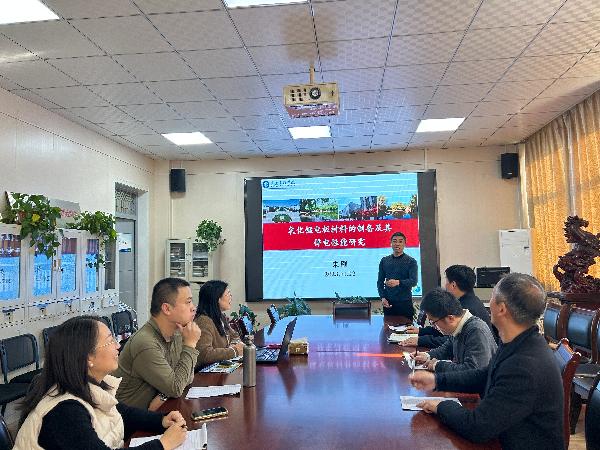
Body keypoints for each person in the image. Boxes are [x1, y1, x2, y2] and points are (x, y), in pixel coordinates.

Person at [409, 273, 564, 449]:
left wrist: (441, 406)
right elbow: (484, 375)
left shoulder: (524, 365)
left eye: (492, 297)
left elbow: (477, 426)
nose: (488, 303)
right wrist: (437, 381)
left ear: (501, 309)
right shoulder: (519, 341)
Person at [13, 316, 187, 450]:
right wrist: (163, 444)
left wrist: (161, 420)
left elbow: (122, 413)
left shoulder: (88, 386)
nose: (117, 346)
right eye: (110, 341)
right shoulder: (64, 411)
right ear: (88, 357)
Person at [115, 278, 201, 410]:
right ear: (167, 308)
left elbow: (187, 378)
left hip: (158, 411)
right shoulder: (145, 342)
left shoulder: (176, 334)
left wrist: (163, 396)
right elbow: (176, 388)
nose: (193, 308)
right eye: (188, 302)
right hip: (130, 419)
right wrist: (190, 344)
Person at [404, 265, 495, 348]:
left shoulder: (466, 309)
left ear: (453, 285)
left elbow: (451, 341)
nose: (445, 286)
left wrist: (421, 340)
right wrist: (421, 331)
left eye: (446, 282)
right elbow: (444, 328)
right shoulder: (470, 300)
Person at [411, 288, 497, 373]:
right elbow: (447, 349)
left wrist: (437, 365)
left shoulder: (476, 330)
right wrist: (427, 355)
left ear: (450, 318)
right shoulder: (458, 326)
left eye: (433, 322)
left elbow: (473, 370)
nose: (434, 326)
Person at [194, 280, 244, 367]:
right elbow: (204, 354)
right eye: (228, 294)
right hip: (205, 372)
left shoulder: (220, 316)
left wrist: (234, 345)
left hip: (220, 366)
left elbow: (235, 336)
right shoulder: (203, 321)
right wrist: (234, 351)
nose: (231, 297)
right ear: (217, 299)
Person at [377, 232, 418, 318]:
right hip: (388, 303)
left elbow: (413, 281)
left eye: (400, 241)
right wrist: (383, 297)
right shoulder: (384, 261)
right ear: (391, 243)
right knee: (388, 326)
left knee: (406, 326)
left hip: (405, 302)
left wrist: (398, 282)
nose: (397, 244)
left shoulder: (411, 261)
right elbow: (380, 282)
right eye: (394, 241)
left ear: (404, 244)